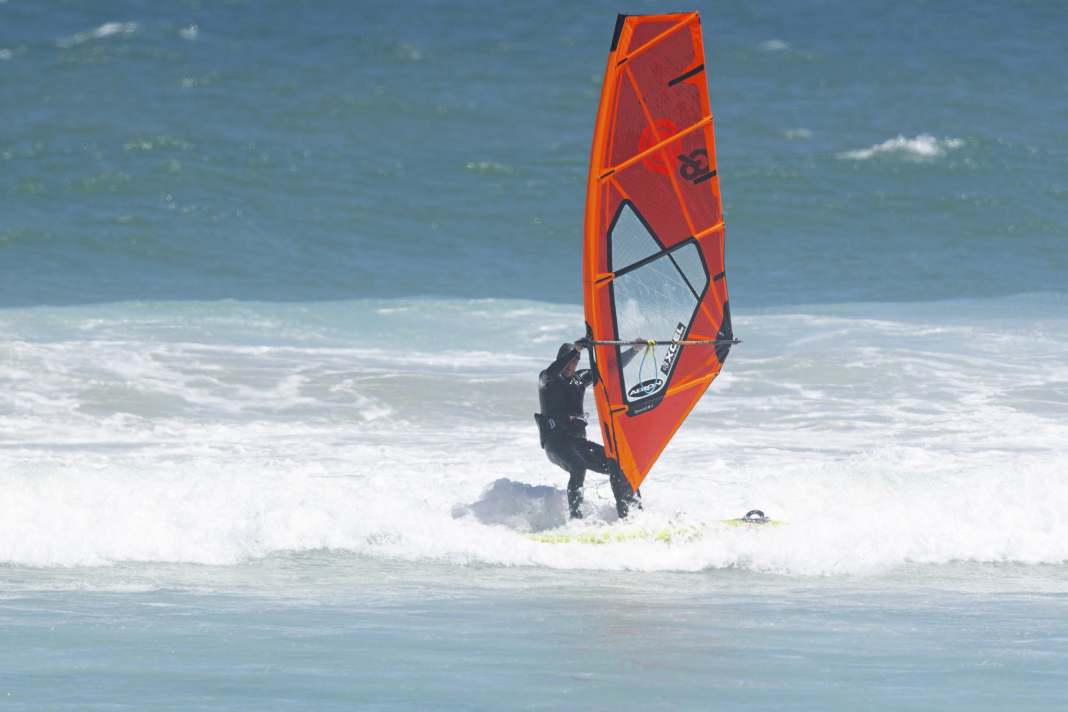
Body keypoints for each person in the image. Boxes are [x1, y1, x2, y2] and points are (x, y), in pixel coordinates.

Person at [536, 337, 643, 519]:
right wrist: (575, 350)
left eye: (575, 362)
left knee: (619, 466)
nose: (571, 365)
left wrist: (634, 350)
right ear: (561, 360)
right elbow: (554, 370)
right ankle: (576, 520)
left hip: (577, 443)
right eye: (568, 361)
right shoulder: (547, 379)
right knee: (578, 467)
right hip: (555, 443)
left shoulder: (579, 379)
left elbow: (610, 369)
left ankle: (631, 514)